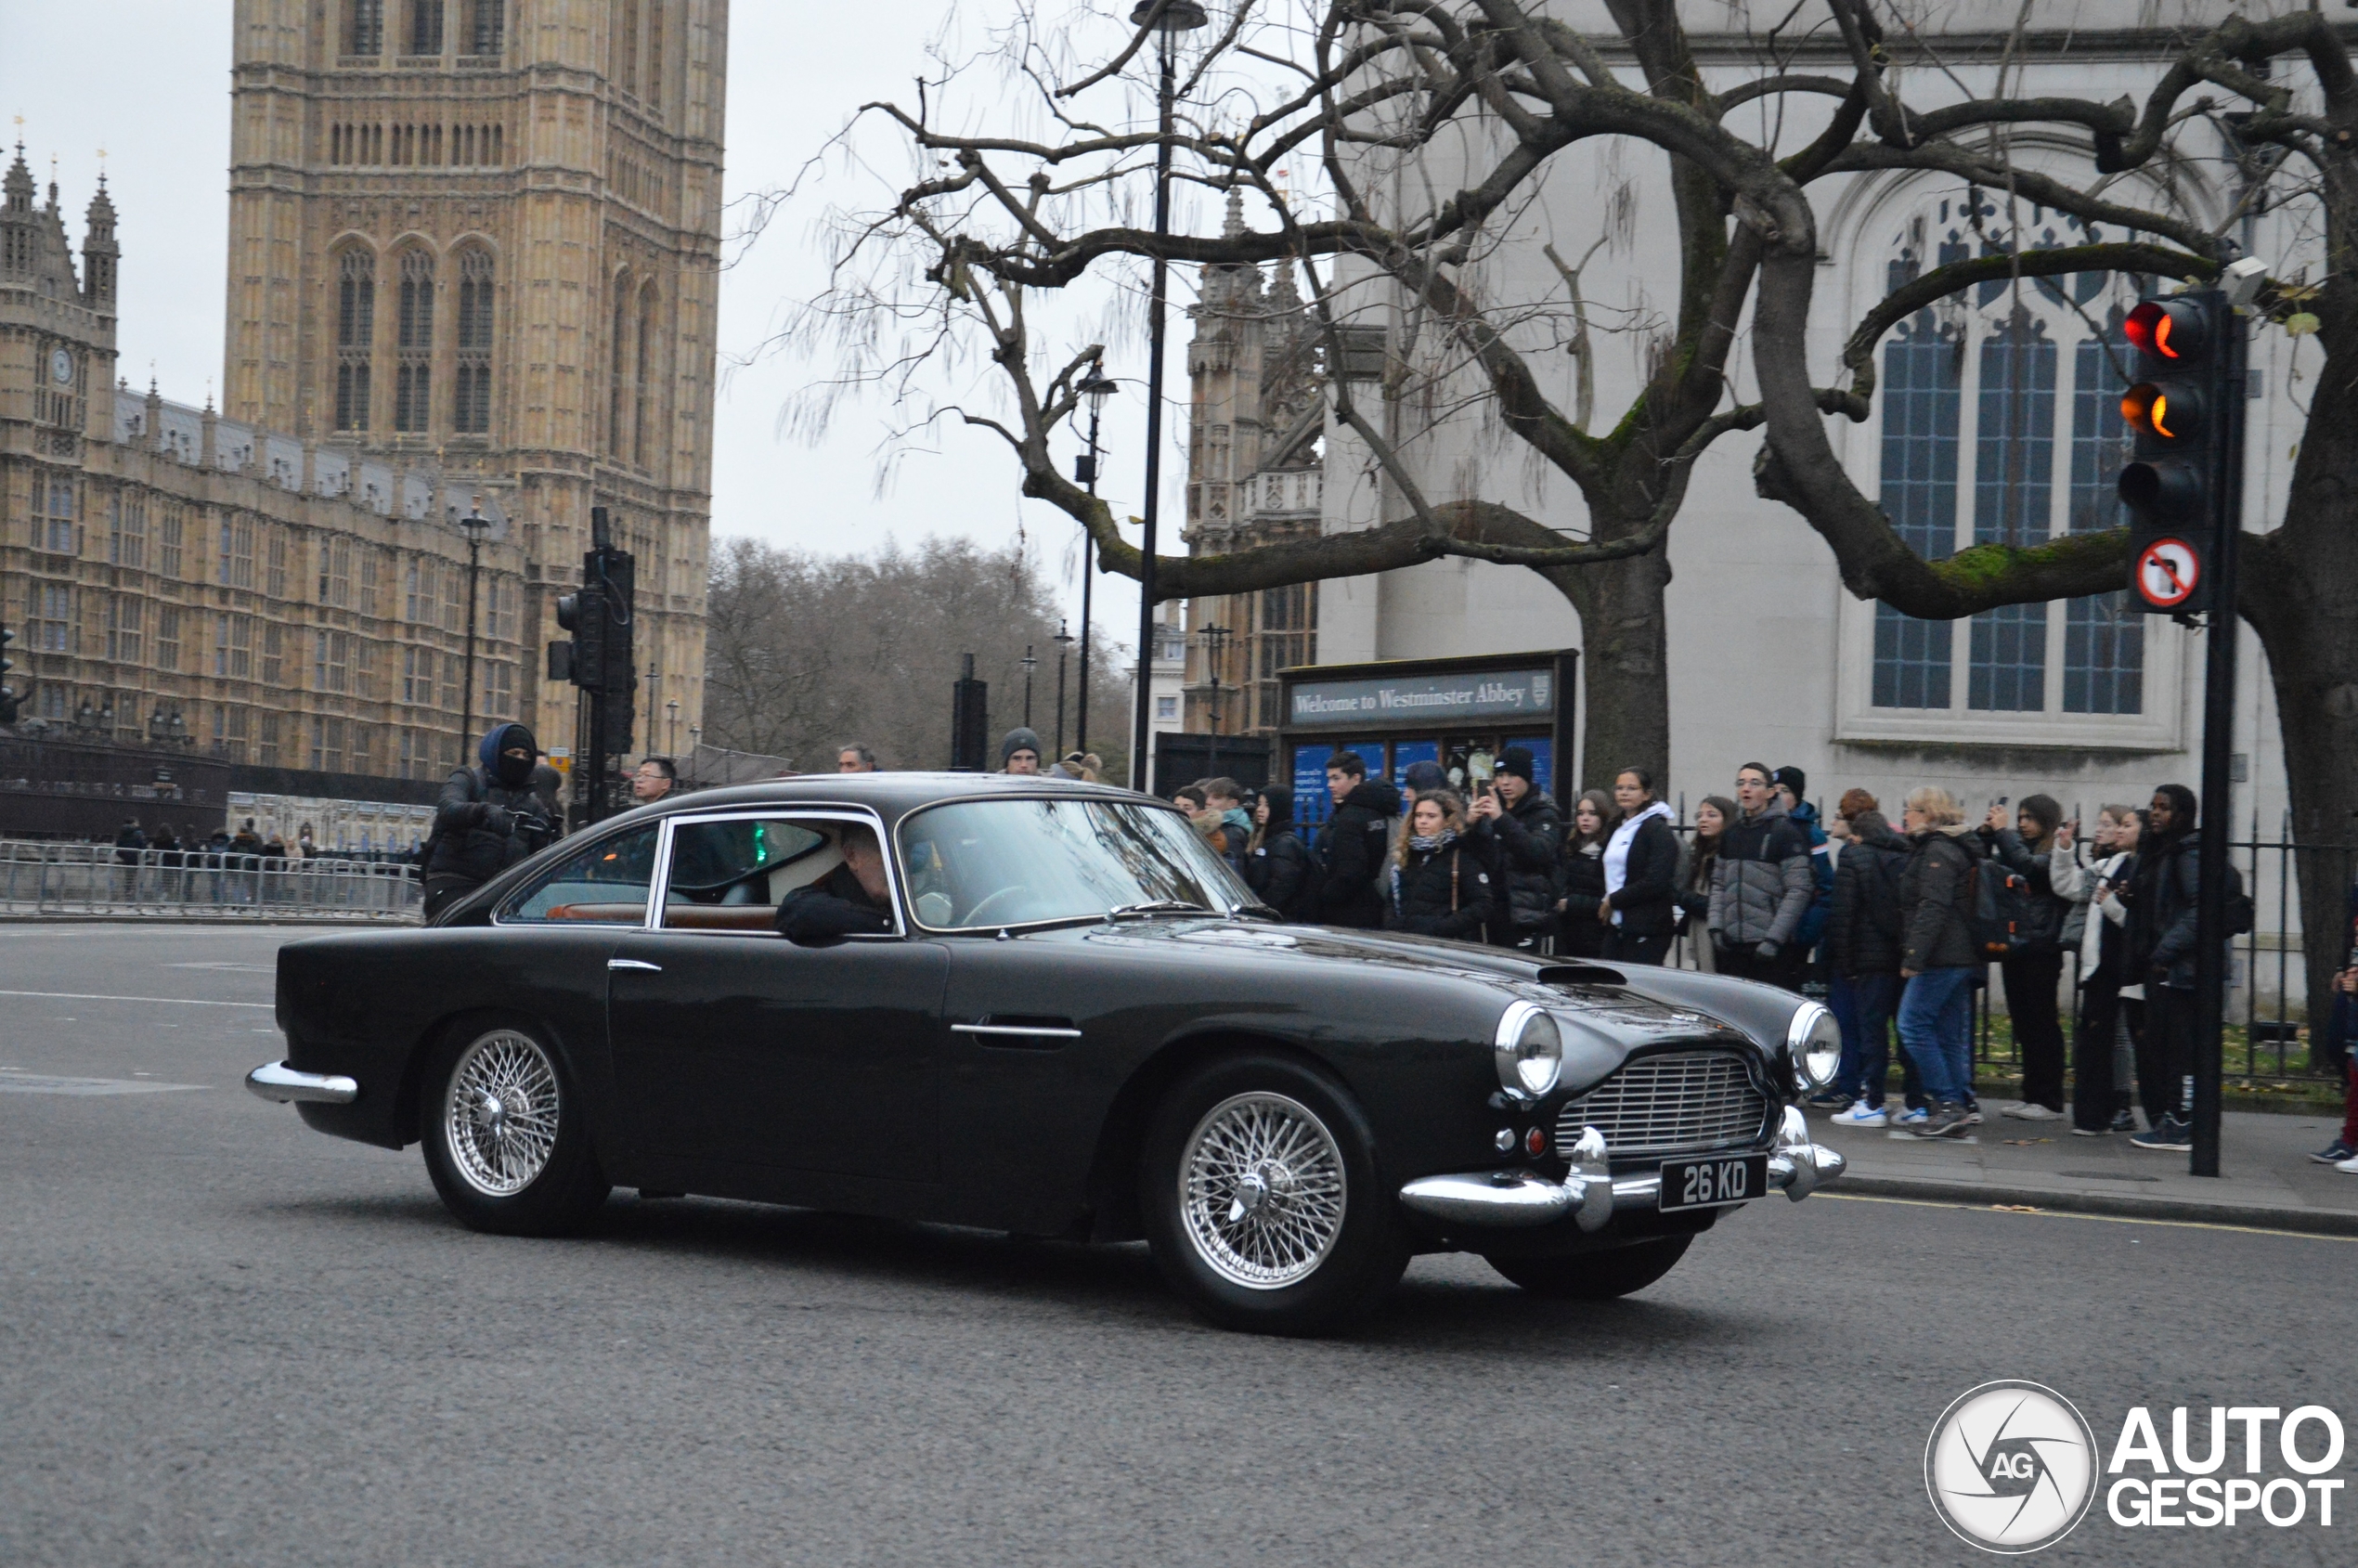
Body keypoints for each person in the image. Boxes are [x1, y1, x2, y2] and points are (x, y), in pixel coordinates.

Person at [2124, 784, 2215, 1151]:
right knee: (2162, 1049)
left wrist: (2165, 951)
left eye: (2164, 808)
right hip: (2160, 966)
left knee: (2179, 1051)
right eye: (2153, 806)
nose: (2155, 814)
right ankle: (2175, 1120)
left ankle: (2183, 1122)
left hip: (2179, 970)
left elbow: (2201, 908)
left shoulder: (2188, 852)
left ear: (2182, 814)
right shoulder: (2160, 851)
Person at [1823, 789, 1917, 1127]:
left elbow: (1844, 915)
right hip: (1900, 957)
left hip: (1868, 959)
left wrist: (1845, 962)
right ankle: (1915, 1102)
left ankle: (1872, 1101)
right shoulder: (1905, 856)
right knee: (1905, 1030)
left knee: (1871, 1031)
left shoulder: (1853, 856)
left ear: (1858, 833)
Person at [1978, 794, 2073, 1121]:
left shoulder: (2054, 854)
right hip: (2016, 946)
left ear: (2045, 821)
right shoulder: (2017, 847)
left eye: (2029, 818)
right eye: (2019, 818)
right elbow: (1987, 866)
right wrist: (1987, 834)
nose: (2022, 824)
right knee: (2022, 1023)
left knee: (2041, 1022)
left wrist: (2003, 835)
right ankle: (2032, 1093)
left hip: (2042, 948)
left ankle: (2050, 1099)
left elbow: (2029, 870)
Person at [1897, 786, 1983, 1139]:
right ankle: (1960, 1104)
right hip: (1958, 955)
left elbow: (1933, 907)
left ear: (1929, 815)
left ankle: (1948, 1104)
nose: (1905, 816)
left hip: (1942, 956)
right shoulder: (1950, 847)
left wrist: (1913, 956)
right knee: (1948, 1034)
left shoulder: (1938, 850)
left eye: (1910, 809)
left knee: (1912, 1025)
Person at [2056, 804, 2142, 1135]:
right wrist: (2064, 849)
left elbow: (2138, 923)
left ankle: (2115, 1109)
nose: (2118, 831)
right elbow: (2071, 886)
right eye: (2115, 825)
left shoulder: (2142, 868)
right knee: (2094, 1043)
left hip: (2122, 968)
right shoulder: (2114, 863)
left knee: (2119, 1041)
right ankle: (2094, 1115)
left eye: (2125, 825)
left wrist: (2110, 904)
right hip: (2099, 966)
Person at [421, 722, 562, 920]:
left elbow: (539, 854)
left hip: (503, 892)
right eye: (514, 753)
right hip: (456, 883)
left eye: (526, 756)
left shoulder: (531, 802)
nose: (520, 759)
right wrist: (483, 812)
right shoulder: (468, 779)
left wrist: (553, 836)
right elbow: (448, 807)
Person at [1710, 762, 1815, 988]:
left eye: (1754, 783)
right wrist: (1716, 927)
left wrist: (1774, 939)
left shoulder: (1785, 833)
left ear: (1770, 792)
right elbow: (1718, 883)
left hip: (1768, 947)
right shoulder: (1731, 834)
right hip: (1732, 945)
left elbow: (1799, 890)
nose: (1746, 788)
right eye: (1741, 783)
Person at [1470, 745, 1563, 951]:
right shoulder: (1492, 810)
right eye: (1500, 775)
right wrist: (1470, 824)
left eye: (1512, 775)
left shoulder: (1544, 812)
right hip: (1492, 913)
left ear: (1527, 778)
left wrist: (1501, 819)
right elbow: (1476, 857)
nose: (1504, 782)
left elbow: (1538, 852)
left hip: (1529, 917)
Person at [1383, 789, 1493, 941]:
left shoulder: (1459, 856)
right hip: (1404, 941)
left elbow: (1482, 904)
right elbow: (1392, 901)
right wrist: (1393, 924)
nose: (1422, 821)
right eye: (1418, 815)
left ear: (1447, 820)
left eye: (1431, 816)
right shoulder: (1406, 856)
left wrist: (1441, 927)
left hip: (1444, 944)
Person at [1313, 750, 1400, 929]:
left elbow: (1350, 870)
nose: (1330, 785)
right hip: (1377, 902)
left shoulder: (1350, 816)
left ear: (1356, 778)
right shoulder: (1378, 811)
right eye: (1329, 779)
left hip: (1348, 910)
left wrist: (1325, 895)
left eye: (1336, 778)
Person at [1599, 768, 1678, 964]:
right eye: (1619, 788)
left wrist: (1613, 900)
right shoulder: (1617, 826)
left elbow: (1656, 881)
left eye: (1631, 788)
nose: (1624, 793)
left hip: (1647, 926)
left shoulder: (1657, 830)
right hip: (1616, 925)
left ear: (1646, 794)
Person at [774, 823, 895, 941]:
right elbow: (798, 910)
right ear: (851, 857)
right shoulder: (823, 899)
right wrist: (890, 926)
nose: (901, 866)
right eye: (889, 855)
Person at [1773, 766, 1835, 965]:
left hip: (1795, 930)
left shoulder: (1811, 832)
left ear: (1796, 795)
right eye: (1773, 790)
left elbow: (1825, 885)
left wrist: (1807, 930)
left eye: (1784, 791)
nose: (1777, 796)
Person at [1555, 790, 1615, 959]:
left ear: (1603, 816)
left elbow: (1605, 899)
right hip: (1569, 930)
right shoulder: (1571, 848)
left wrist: (1571, 903)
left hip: (1596, 932)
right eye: (1580, 814)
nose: (1585, 818)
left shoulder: (1608, 851)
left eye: (1592, 813)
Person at [1244, 784, 1315, 921]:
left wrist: (1260, 909)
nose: (1260, 809)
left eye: (1267, 805)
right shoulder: (1268, 840)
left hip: (1281, 918)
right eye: (1259, 804)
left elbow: (1282, 885)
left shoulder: (1284, 843)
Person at [1679, 796, 1733, 973]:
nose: (1703, 819)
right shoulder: (1699, 854)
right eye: (1700, 815)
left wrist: (1686, 899)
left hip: (1719, 931)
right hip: (1699, 927)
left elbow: (1721, 902)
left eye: (1711, 815)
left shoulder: (1728, 855)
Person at [1202, 778, 1253, 873]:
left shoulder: (1232, 832)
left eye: (1216, 798)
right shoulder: (1222, 827)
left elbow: (1234, 872)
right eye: (1207, 797)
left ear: (1232, 804)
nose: (1208, 802)